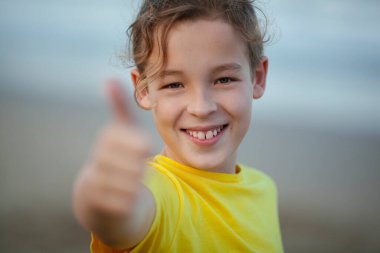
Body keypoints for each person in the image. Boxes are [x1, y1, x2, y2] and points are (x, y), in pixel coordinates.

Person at [72, 0, 283, 252]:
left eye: (224, 79)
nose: (201, 107)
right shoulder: (156, 194)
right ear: (142, 89)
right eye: (174, 84)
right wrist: (98, 197)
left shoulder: (264, 189)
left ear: (258, 77)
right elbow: (121, 221)